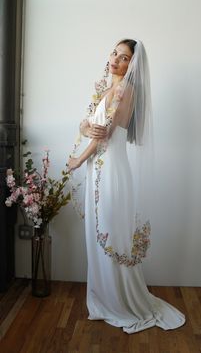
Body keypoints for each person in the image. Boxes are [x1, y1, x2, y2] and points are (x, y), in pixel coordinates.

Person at [68, 39, 185, 334]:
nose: (116, 61)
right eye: (114, 53)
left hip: (110, 173)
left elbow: (103, 135)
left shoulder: (125, 90)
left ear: (132, 65)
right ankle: (104, 298)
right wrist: (85, 127)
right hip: (99, 170)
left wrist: (78, 160)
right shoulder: (106, 88)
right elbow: (87, 124)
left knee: (110, 234)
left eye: (124, 58)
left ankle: (118, 301)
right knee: (96, 235)